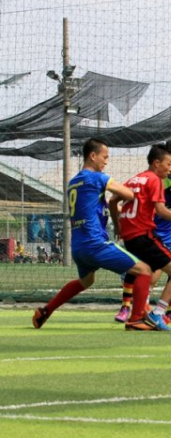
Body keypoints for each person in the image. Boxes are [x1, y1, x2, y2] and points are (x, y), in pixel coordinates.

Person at [32, 138, 152, 329]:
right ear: (93, 156)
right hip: (95, 244)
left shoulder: (73, 183)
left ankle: (46, 311)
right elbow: (129, 194)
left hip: (78, 247)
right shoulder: (98, 178)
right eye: (105, 157)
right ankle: (136, 318)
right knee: (144, 270)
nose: (106, 161)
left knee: (86, 281)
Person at [109, 143, 171, 331]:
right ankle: (157, 314)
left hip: (130, 238)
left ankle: (136, 317)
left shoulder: (135, 179)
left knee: (146, 274)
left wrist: (118, 225)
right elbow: (160, 211)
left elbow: (112, 200)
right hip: (144, 236)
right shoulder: (155, 180)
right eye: (168, 163)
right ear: (156, 163)